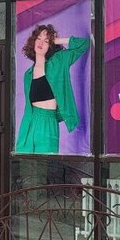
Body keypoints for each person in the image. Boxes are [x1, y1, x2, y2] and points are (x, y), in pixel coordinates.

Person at [14, 24, 90, 155]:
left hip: (48, 121)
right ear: (33, 42)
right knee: (25, 162)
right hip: (30, 121)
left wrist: (57, 40)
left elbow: (83, 44)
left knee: (45, 163)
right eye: (38, 38)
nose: (41, 43)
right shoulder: (28, 74)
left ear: (50, 45)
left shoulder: (58, 62)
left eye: (46, 41)